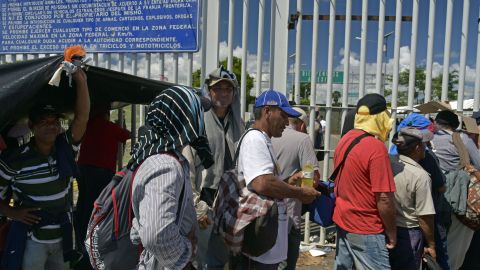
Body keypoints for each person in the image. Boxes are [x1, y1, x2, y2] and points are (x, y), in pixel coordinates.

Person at [0, 68, 90, 270]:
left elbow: (82, 118)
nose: (51, 126)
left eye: (55, 122)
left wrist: (81, 80)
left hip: (63, 235)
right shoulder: (13, 160)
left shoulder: (65, 149)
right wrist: (12, 213)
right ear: (31, 126)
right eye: (44, 122)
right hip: (31, 239)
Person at [128, 86, 213, 269]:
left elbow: (142, 226)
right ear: (180, 116)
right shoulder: (165, 166)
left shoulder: (162, 157)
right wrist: (185, 257)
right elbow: (156, 234)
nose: (200, 118)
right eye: (196, 111)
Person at [235, 89, 320, 269]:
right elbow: (262, 183)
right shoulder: (255, 140)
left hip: (267, 240)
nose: (286, 122)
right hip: (259, 242)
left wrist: (288, 181)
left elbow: (264, 180)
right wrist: (299, 192)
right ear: (267, 111)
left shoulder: (264, 139)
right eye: (283, 116)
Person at [182, 66, 244, 269]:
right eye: (218, 89)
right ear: (209, 91)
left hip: (230, 202)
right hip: (204, 201)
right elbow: (187, 165)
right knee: (197, 258)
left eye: (228, 89)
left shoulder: (237, 125)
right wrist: (195, 204)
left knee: (221, 257)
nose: (223, 94)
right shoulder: (196, 123)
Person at [333, 93, 397, 270]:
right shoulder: (376, 148)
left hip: (343, 219)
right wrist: (392, 231)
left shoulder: (345, 140)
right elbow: (384, 198)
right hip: (366, 227)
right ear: (380, 117)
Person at [389, 113, 449, 269]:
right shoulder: (420, 176)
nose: (426, 147)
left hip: (389, 230)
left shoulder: (388, 163)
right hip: (410, 234)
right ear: (417, 148)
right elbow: (425, 216)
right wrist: (431, 244)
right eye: (424, 144)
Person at [75, 103, 130, 261]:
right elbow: (127, 135)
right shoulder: (109, 126)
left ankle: (80, 233)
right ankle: (90, 235)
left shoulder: (88, 125)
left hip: (83, 167)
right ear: (105, 113)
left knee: (83, 201)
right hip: (101, 170)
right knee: (96, 205)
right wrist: (121, 124)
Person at [271, 107, 319, 270]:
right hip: (289, 214)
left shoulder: (262, 136)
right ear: (301, 124)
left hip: (263, 213)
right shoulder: (302, 139)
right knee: (286, 262)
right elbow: (312, 177)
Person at [431, 110, 480, 269]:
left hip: (429, 197)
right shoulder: (461, 138)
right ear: (455, 125)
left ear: (436, 122)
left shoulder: (426, 138)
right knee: (453, 244)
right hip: (456, 197)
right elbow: (478, 163)